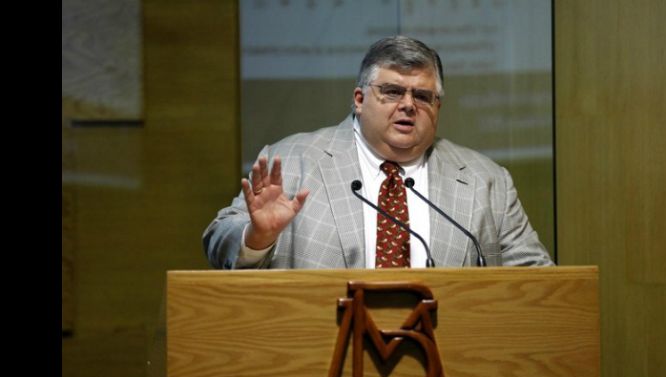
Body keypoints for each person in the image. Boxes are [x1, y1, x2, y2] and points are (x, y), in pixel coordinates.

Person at [203, 36, 553, 269]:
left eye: (422, 96)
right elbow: (219, 241)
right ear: (359, 99)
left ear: (438, 107)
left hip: (449, 353)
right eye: (392, 91)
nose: (408, 105)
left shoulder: (485, 181)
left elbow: (538, 278)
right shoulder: (293, 161)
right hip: (319, 350)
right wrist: (258, 237)